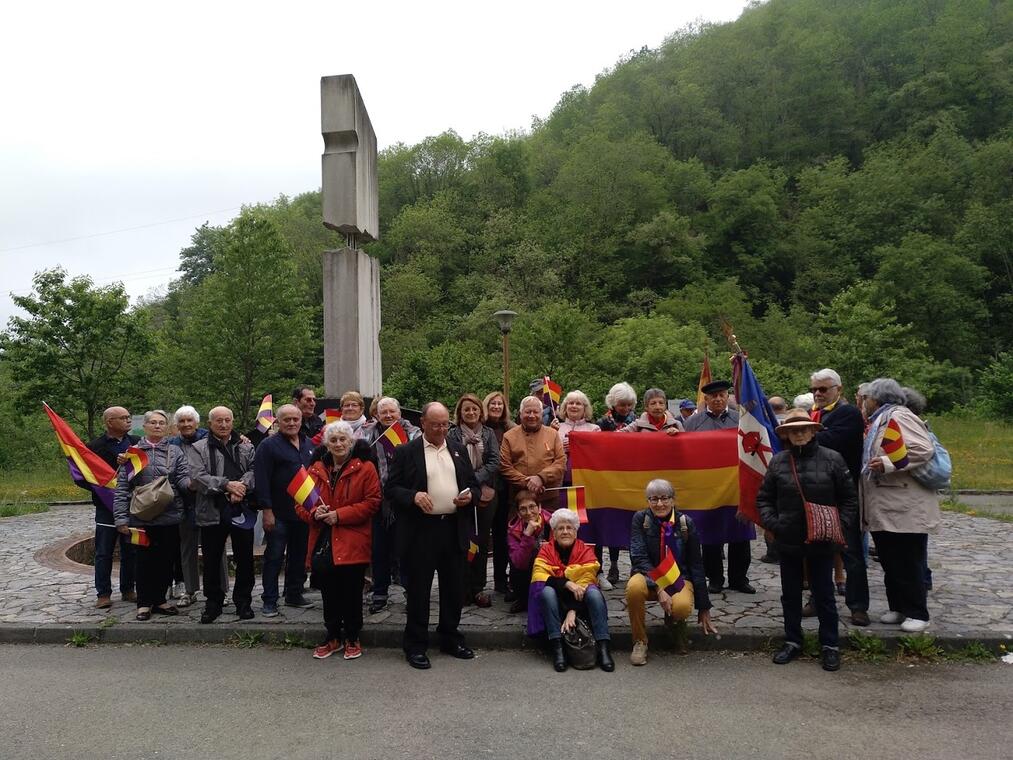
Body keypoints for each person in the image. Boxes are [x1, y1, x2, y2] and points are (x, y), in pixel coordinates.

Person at [757, 408, 858, 672]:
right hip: (789, 539)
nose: (799, 433)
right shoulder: (778, 462)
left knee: (824, 594)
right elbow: (764, 498)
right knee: (790, 595)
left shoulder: (833, 459)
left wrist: (841, 524)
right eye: (793, 430)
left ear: (813, 430)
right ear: (787, 435)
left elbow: (849, 498)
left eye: (803, 428)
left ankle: (830, 645)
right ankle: (792, 640)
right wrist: (775, 524)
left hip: (822, 540)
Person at [387, 402, 479, 670]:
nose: (441, 429)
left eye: (445, 424)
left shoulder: (458, 449)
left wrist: (470, 496)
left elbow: (472, 484)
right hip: (421, 531)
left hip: (453, 527)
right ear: (423, 423)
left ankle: (450, 637)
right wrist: (413, 496)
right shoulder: (406, 451)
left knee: (453, 588)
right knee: (419, 590)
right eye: (436, 424)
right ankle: (416, 644)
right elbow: (391, 489)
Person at [297, 421, 382, 660]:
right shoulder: (314, 469)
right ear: (326, 444)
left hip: (352, 538)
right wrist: (314, 513)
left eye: (343, 439)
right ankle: (332, 636)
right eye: (333, 440)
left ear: (351, 442)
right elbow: (301, 504)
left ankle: (353, 636)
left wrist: (339, 515)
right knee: (328, 592)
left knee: (352, 592)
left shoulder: (365, 468)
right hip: (323, 539)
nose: (338, 444)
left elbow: (373, 502)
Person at [861, 378, 940, 633]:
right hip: (888, 504)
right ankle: (898, 607)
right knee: (890, 559)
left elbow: (922, 449)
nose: (863, 402)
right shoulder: (881, 419)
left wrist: (886, 463)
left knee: (909, 560)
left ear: (877, 399)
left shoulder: (900, 416)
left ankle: (918, 612)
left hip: (905, 505)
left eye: (867, 398)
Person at [626, 479, 716, 665]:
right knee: (633, 588)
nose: (659, 504)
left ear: (673, 500)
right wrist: (660, 588)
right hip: (647, 575)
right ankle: (640, 641)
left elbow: (696, 565)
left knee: (682, 607)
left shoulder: (685, 523)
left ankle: (675, 623)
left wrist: (704, 606)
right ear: (648, 501)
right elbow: (639, 558)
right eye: (654, 499)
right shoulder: (640, 520)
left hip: (679, 577)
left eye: (664, 498)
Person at [113, 410, 190, 621]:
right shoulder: (133, 453)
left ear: (167, 428)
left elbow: (183, 478)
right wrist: (121, 519)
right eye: (153, 423)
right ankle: (144, 603)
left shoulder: (175, 452)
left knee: (166, 560)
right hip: (140, 518)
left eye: (161, 423)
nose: (157, 426)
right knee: (144, 561)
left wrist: (192, 485)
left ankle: (160, 600)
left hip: (170, 516)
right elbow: (121, 488)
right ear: (145, 426)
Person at [808, 369, 869, 626]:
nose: (818, 394)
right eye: (814, 390)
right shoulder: (814, 414)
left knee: (851, 552)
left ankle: (857, 605)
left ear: (839, 389)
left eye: (824, 389)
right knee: (816, 551)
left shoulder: (848, 413)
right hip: (817, 492)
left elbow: (829, 440)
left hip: (843, 493)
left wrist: (799, 432)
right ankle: (817, 598)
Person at [682, 380, 753, 594]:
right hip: (707, 487)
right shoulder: (693, 423)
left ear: (727, 396)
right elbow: (685, 451)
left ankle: (739, 579)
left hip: (735, 485)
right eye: (713, 396)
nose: (718, 399)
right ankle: (714, 578)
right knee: (710, 535)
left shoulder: (741, 419)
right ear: (706, 400)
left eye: (722, 395)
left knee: (739, 533)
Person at [190, 406, 256, 623]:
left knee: (244, 557)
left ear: (233, 421)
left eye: (227, 420)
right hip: (212, 510)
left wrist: (242, 487)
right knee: (211, 559)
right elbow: (198, 478)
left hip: (241, 509)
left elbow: (255, 470)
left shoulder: (246, 446)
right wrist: (227, 485)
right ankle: (213, 602)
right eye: (219, 420)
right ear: (210, 424)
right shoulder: (198, 448)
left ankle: (243, 601)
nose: (224, 424)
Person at [530, 509, 614, 673]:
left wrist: (572, 611)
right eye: (560, 528)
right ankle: (558, 648)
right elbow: (539, 576)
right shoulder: (545, 551)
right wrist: (567, 583)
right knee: (547, 592)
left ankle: (604, 647)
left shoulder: (585, 551)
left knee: (595, 593)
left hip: (580, 602)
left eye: (569, 528)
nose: (565, 532)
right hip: (555, 601)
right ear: (554, 532)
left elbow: (588, 579)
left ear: (576, 531)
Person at [254, 403, 316, 617]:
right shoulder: (268, 446)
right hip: (278, 513)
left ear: (301, 420)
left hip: (302, 512)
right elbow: (261, 479)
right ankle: (269, 600)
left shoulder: (309, 444)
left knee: (299, 556)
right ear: (278, 422)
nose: (291, 423)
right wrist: (267, 510)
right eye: (286, 419)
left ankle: (294, 593)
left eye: (295, 419)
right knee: (274, 557)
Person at [359, 396, 420, 614]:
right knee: (379, 550)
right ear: (376, 414)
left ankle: (410, 592)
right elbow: (356, 455)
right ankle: (380, 593)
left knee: (407, 550)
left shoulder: (413, 433)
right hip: (378, 501)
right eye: (383, 413)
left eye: (392, 412)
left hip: (405, 500)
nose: (388, 416)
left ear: (399, 413)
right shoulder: (367, 433)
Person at [169, 406, 228, 608]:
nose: (186, 425)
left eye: (189, 421)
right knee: (187, 548)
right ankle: (190, 590)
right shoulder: (171, 445)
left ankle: (222, 590)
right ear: (176, 426)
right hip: (186, 503)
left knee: (217, 549)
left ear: (198, 423)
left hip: (211, 500)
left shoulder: (210, 439)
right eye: (182, 422)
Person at [448, 393, 501, 608]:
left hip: (484, 493)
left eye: (475, 409)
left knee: (478, 543)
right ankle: (460, 589)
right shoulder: (451, 434)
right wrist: (464, 481)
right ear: (460, 412)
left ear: (481, 411)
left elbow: (494, 461)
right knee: (460, 542)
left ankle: (478, 588)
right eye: (466, 409)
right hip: (458, 492)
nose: (471, 413)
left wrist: (474, 479)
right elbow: (448, 458)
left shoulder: (488, 434)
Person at [84, 406, 139, 608]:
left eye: (128, 417)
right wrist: (103, 488)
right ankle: (103, 593)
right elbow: (82, 476)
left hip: (132, 505)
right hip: (106, 507)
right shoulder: (94, 447)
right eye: (123, 418)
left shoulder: (136, 443)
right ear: (109, 422)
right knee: (104, 551)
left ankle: (128, 589)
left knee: (130, 550)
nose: (128, 420)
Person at [499, 396, 567, 515]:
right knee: (519, 533)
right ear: (520, 414)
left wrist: (541, 478)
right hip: (519, 499)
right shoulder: (509, 436)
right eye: (527, 412)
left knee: (548, 532)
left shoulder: (553, 434)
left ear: (541, 414)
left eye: (535, 412)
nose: (531, 415)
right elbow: (505, 467)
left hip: (548, 498)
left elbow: (561, 462)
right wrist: (528, 482)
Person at [484, 391, 516, 597]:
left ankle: (500, 580)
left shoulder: (511, 429)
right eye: (493, 403)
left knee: (503, 536)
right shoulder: (481, 429)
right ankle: (474, 581)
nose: (496, 407)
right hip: (484, 488)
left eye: (500, 404)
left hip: (505, 490)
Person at [506, 489, 550, 614]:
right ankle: (523, 599)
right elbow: (519, 562)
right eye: (523, 509)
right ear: (518, 513)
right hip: (526, 570)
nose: (529, 512)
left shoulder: (552, 523)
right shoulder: (513, 530)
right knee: (517, 565)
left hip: (550, 567)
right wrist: (527, 535)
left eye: (532, 507)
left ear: (539, 507)